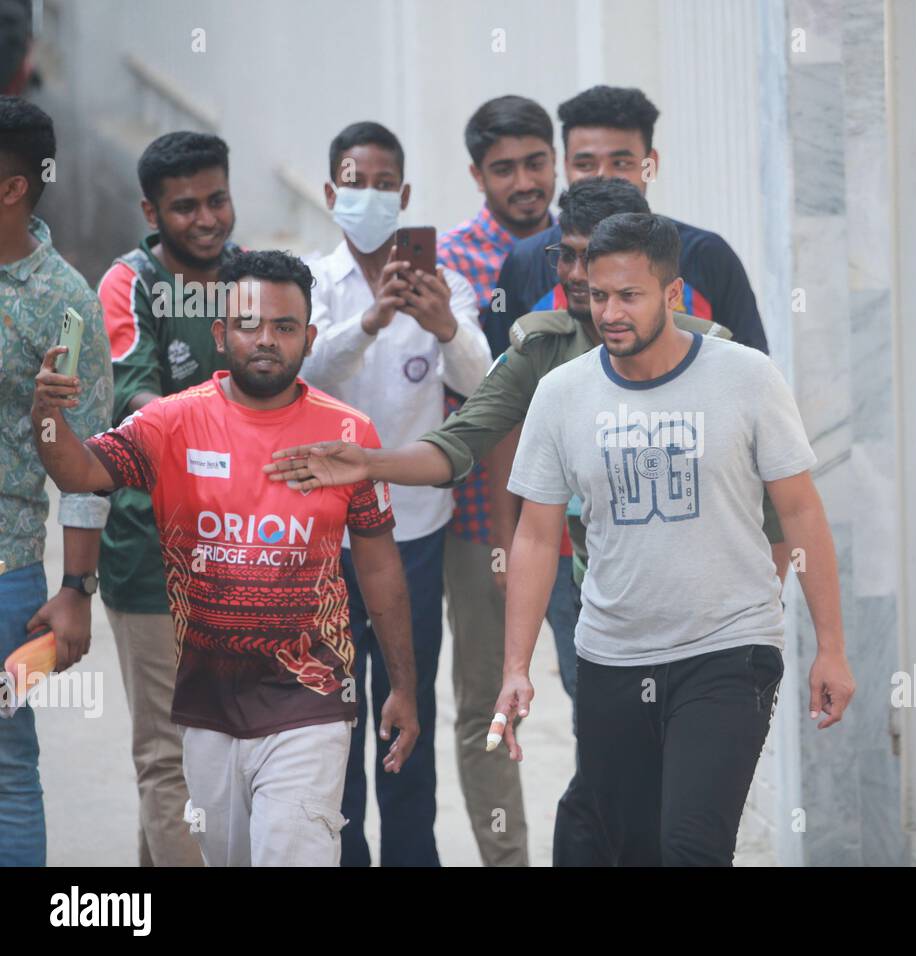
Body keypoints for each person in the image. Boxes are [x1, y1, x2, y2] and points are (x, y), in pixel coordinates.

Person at [263, 181, 785, 865]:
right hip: (601, 610)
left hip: (713, 634)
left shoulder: (717, 359)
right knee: (599, 819)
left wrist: (758, 623)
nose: (569, 276)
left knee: (685, 832)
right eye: (564, 259)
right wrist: (368, 463)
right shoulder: (546, 352)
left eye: (587, 264)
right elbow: (461, 443)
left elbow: (781, 509)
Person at [33, 249, 419, 867]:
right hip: (207, 705)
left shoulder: (349, 435)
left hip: (309, 702)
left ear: (309, 337)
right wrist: (48, 417)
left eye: (285, 327)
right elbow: (81, 473)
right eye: (249, 324)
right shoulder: (170, 423)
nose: (265, 340)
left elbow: (378, 566)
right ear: (221, 333)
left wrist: (402, 685)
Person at [496, 213, 854, 865]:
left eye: (628, 295)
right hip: (612, 653)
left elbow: (801, 513)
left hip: (728, 647)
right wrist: (515, 666)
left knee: (691, 844)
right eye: (598, 294)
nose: (609, 312)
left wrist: (830, 647)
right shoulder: (561, 394)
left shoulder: (745, 377)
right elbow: (537, 536)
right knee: (630, 845)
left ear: (672, 295)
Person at [300, 121, 490, 868]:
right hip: (327, 538)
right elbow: (301, 373)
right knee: (333, 717)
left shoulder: (449, 287)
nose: (370, 196)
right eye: (356, 181)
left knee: (409, 707)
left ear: (405, 195)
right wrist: (370, 321)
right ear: (329, 193)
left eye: (385, 185)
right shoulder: (310, 284)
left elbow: (483, 388)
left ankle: (413, 856)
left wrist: (443, 326)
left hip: (413, 534)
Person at [96, 130, 238, 867]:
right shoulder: (130, 282)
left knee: (216, 753)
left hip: (245, 548)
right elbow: (135, 396)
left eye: (218, 199)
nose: (208, 219)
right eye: (186, 207)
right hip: (150, 556)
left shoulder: (250, 277)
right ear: (152, 210)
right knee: (168, 754)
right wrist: (221, 435)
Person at [434, 95, 556, 867]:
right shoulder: (449, 265)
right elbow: (476, 397)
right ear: (477, 174)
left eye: (535, 162)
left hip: (586, 527)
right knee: (486, 701)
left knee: (608, 695)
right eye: (504, 168)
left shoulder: (592, 250)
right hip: (483, 522)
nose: (524, 182)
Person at [0, 94, 112, 867]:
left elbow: (90, 461)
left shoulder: (64, 301)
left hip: (6, 574)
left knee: (6, 767)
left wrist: (75, 589)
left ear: (11, 188)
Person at [490, 85, 767, 353]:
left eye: (621, 163)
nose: (603, 176)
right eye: (584, 164)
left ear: (650, 165)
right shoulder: (524, 262)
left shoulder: (707, 255)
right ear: (565, 166)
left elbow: (751, 370)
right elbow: (499, 374)